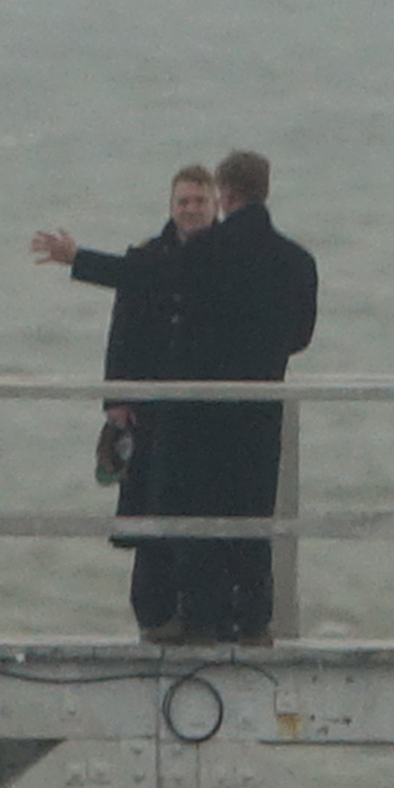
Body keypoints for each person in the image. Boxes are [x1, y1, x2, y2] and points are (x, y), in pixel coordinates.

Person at [31, 166, 219, 642]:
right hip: (151, 413)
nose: (190, 209)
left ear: (215, 203)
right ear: (171, 206)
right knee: (149, 521)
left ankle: (204, 616)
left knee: (207, 522)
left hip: (210, 413)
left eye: (199, 200)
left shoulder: (229, 257)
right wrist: (116, 400)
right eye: (182, 201)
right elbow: (124, 332)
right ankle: (153, 617)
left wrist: (80, 259)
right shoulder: (148, 257)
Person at [167, 150, 317, 644]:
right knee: (254, 512)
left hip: (205, 407)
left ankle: (202, 615)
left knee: (204, 508)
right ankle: (253, 617)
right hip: (261, 402)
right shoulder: (298, 261)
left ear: (225, 195)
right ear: (265, 190)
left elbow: (175, 314)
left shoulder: (201, 252)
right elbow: (300, 337)